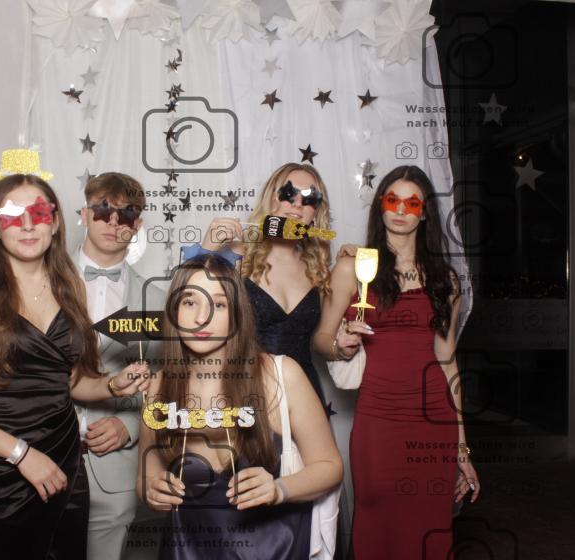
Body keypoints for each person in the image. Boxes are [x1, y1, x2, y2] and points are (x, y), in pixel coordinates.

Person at [0, 149, 149, 560]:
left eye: (39, 213)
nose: (27, 225)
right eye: (12, 215)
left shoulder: (68, 287)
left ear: (56, 222)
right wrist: (21, 454)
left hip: (65, 474)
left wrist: (113, 385)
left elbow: (71, 380)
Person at [197, 162, 368, 557]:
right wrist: (206, 249)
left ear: (317, 212)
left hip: (304, 398)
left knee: (307, 506)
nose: (296, 204)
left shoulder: (321, 270)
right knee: (243, 511)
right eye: (288, 193)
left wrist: (340, 346)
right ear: (271, 197)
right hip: (246, 394)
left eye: (309, 199)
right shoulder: (236, 256)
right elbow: (189, 313)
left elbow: (321, 341)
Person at [137, 254, 344, 560]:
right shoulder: (158, 386)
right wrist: (152, 490)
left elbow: (330, 466)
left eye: (219, 304)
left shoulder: (281, 375)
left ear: (237, 313)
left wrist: (279, 489)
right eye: (190, 302)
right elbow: (147, 473)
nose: (202, 317)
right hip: (186, 549)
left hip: (273, 550)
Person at [324, 165, 480, 559]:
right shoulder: (354, 268)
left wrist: (463, 450)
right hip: (378, 420)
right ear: (380, 205)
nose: (400, 210)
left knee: (428, 525)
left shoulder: (445, 280)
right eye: (393, 200)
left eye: (412, 203)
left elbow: (447, 362)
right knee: (376, 523)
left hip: (433, 422)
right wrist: (340, 345)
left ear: (424, 213)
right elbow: (321, 339)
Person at [73, 172, 166, 560]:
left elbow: (165, 383)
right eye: (102, 210)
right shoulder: (41, 282)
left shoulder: (156, 301)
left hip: (113, 469)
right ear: (84, 214)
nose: (114, 222)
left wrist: (129, 426)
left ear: (138, 225)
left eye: (126, 214)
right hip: (40, 454)